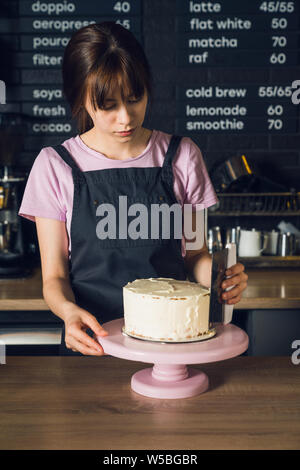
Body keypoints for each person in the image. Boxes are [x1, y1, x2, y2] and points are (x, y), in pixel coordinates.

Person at [18, 22, 248, 356]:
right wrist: (68, 313)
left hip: (170, 349)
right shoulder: (55, 165)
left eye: (134, 98)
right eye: (108, 105)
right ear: (79, 98)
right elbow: (54, 277)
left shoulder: (182, 157)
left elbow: (195, 254)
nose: (125, 117)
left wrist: (219, 281)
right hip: (92, 343)